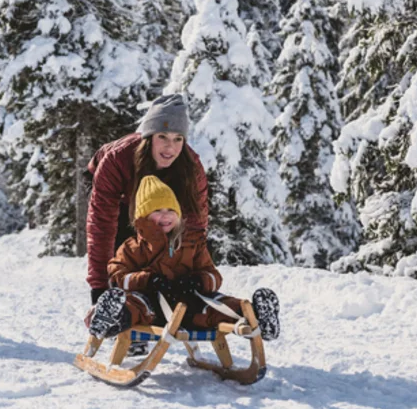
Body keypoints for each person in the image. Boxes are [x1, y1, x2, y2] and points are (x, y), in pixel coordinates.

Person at [88, 176, 280, 341]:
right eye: (157, 210)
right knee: (136, 304)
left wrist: (198, 281)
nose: (165, 215)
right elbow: (117, 275)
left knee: (217, 305)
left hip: (189, 304)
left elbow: (213, 276)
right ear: (143, 216)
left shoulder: (192, 242)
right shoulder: (133, 247)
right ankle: (113, 318)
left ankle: (256, 316)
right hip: (153, 306)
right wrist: (148, 279)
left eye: (170, 210)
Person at [85, 93, 208, 305]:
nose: (170, 148)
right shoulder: (118, 160)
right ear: (149, 136)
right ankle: (127, 308)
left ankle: (154, 296)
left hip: (160, 196)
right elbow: (101, 225)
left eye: (177, 139)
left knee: (165, 232)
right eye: (163, 137)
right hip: (121, 193)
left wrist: (192, 277)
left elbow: (196, 226)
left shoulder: (191, 167)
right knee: (128, 247)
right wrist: (99, 286)